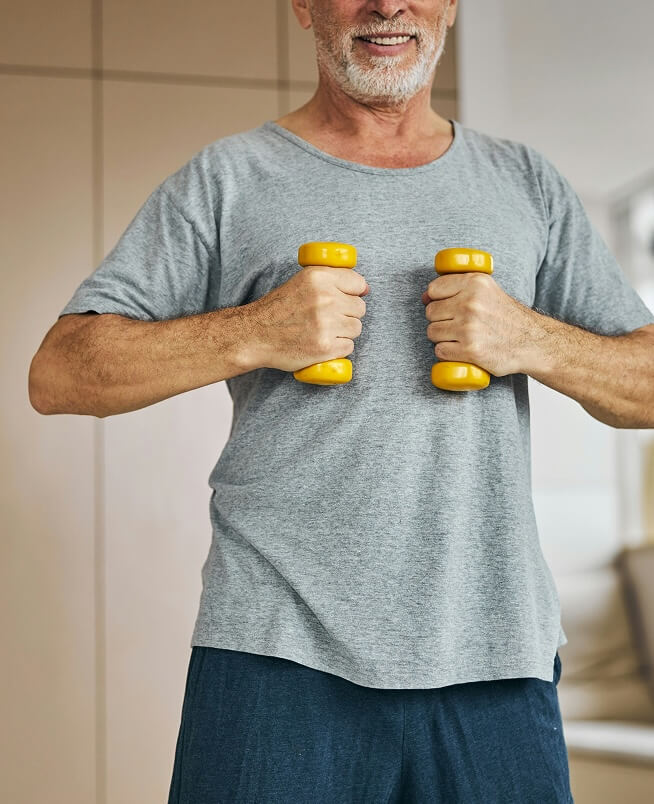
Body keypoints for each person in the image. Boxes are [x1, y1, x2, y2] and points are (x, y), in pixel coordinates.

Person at [28, 1, 654, 801]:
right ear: (304, 6)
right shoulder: (228, 178)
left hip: (495, 656)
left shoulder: (526, 183)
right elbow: (60, 373)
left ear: (452, 4)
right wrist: (256, 331)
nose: (386, 4)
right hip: (274, 655)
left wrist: (530, 339)